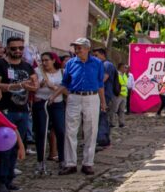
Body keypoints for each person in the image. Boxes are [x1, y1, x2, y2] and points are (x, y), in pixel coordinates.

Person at [50, 38, 104, 175]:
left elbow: (100, 85)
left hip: (92, 97)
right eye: (75, 47)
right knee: (70, 130)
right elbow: (64, 83)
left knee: (91, 130)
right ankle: (70, 163)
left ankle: (88, 163)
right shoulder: (70, 64)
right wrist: (54, 95)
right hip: (74, 97)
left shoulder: (97, 63)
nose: (77, 50)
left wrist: (103, 102)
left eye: (79, 47)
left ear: (87, 49)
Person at [0, 36, 38, 192]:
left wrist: (32, 86)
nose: (18, 51)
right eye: (14, 48)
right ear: (7, 49)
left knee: (16, 148)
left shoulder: (27, 66)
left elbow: (35, 84)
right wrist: (18, 85)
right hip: (6, 110)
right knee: (4, 148)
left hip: (23, 110)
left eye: (21, 48)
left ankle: (9, 179)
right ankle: (1, 181)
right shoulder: (0, 64)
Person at [32, 52, 66, 172]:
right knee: (41, 131)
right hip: (41, 102)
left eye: (47, 60)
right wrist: (40, 84)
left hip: (57, 103)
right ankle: (40, 161)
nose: (44, 63)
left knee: (60, 130)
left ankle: (62, 159)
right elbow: (33, 86)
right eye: (43, 60)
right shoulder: (37, 71)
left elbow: (67, 90)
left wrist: (54, 88)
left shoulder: (62, 72)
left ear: (53, 60)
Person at [92, 48, 117, 147]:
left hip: (105, 95)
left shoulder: (106, 65)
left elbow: (102, 79)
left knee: (102, 116)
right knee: (100, 117)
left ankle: (102, 139)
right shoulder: (99, 65)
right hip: (100, 94)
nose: (94, 57)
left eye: (96, 55)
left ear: (102, 55)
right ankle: (103, 138)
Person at [111, 63, 129, 127]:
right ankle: (112, 123)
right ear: (121, 67)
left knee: (122, 110)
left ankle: (121, 122)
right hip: (117, 94)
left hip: (124, 94)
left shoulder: (124, 75)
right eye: (125, 67)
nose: (126, 69)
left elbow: (125, 84)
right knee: (114, 109)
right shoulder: (117, 74)